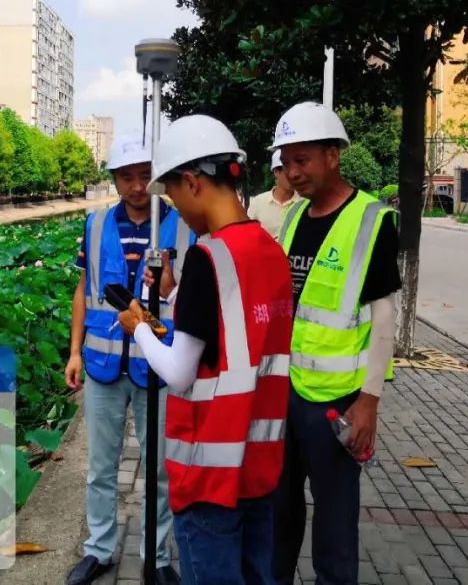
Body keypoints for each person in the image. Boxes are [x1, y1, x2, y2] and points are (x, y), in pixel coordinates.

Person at [116, 115, 294, 585]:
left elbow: (179, 371)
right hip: (258, 465)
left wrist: (139, 329)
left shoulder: (207, 256)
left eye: (174, 195)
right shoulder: (270, 250)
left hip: (209, 470)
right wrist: (176, 295)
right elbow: (236, 326)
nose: (177, 209)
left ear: (193, 182)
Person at [268, 102, 401, 585]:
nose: (292, 172)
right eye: (286, 162)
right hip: (286, 392)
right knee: (278, 515)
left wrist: (369, 401)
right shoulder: (295, 217)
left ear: (332, 155)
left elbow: (384, 318)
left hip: (337, 403)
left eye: (302, 160)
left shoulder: (371, 220)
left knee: (335, 524)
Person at [65, 133, 193, 585]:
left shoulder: (182, 227)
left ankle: (154, 556)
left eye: (145, 176)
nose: (137, 186)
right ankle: (99, 550)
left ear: (157, 178)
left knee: (159, 470)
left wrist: (170, 283)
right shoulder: (96, 224)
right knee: (101, 467)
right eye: (127, 177)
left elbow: (191, 297)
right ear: (115, 180)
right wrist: (74, 351)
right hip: (102, 365)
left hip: (158, 366)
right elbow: (83, 289)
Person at [247, 149, 302, 238]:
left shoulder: (304, 202)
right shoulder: (258, 203)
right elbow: (248, 235)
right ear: (276, 172)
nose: (293, 176)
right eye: (287, 170)